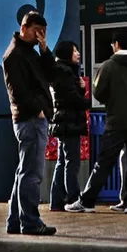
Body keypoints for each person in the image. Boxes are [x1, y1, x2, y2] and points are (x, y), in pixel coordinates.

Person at [69, 28, 127, 214]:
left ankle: (87, 201)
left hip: (116, 122)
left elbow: (98, 93)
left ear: (116, 45)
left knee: (104, 162)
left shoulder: (108, 66)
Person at [2, 8, 57, 236]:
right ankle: (30, 222)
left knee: (24, 171)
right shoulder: (14, 55)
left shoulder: (30, 52)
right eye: (36, 31)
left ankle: (15, 221)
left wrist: (45, 50)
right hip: (30, 120)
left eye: (43, 32)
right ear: (23, 28)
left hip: (31, 119)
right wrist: (40, 111)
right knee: (32, 174)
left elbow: (50, 75)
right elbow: (19, 92)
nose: (39, 36)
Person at [48, 39, 87, 215]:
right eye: (75, 50)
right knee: (71, 162)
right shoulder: (65, 73)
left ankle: (56, 200)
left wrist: (80, 89)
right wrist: (85, 99)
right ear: (66, 54)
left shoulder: (62, 71)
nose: (78, 53)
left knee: (62, 162)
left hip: (64, 121)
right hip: (68, 121)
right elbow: (71, 98)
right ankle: (72, 198)